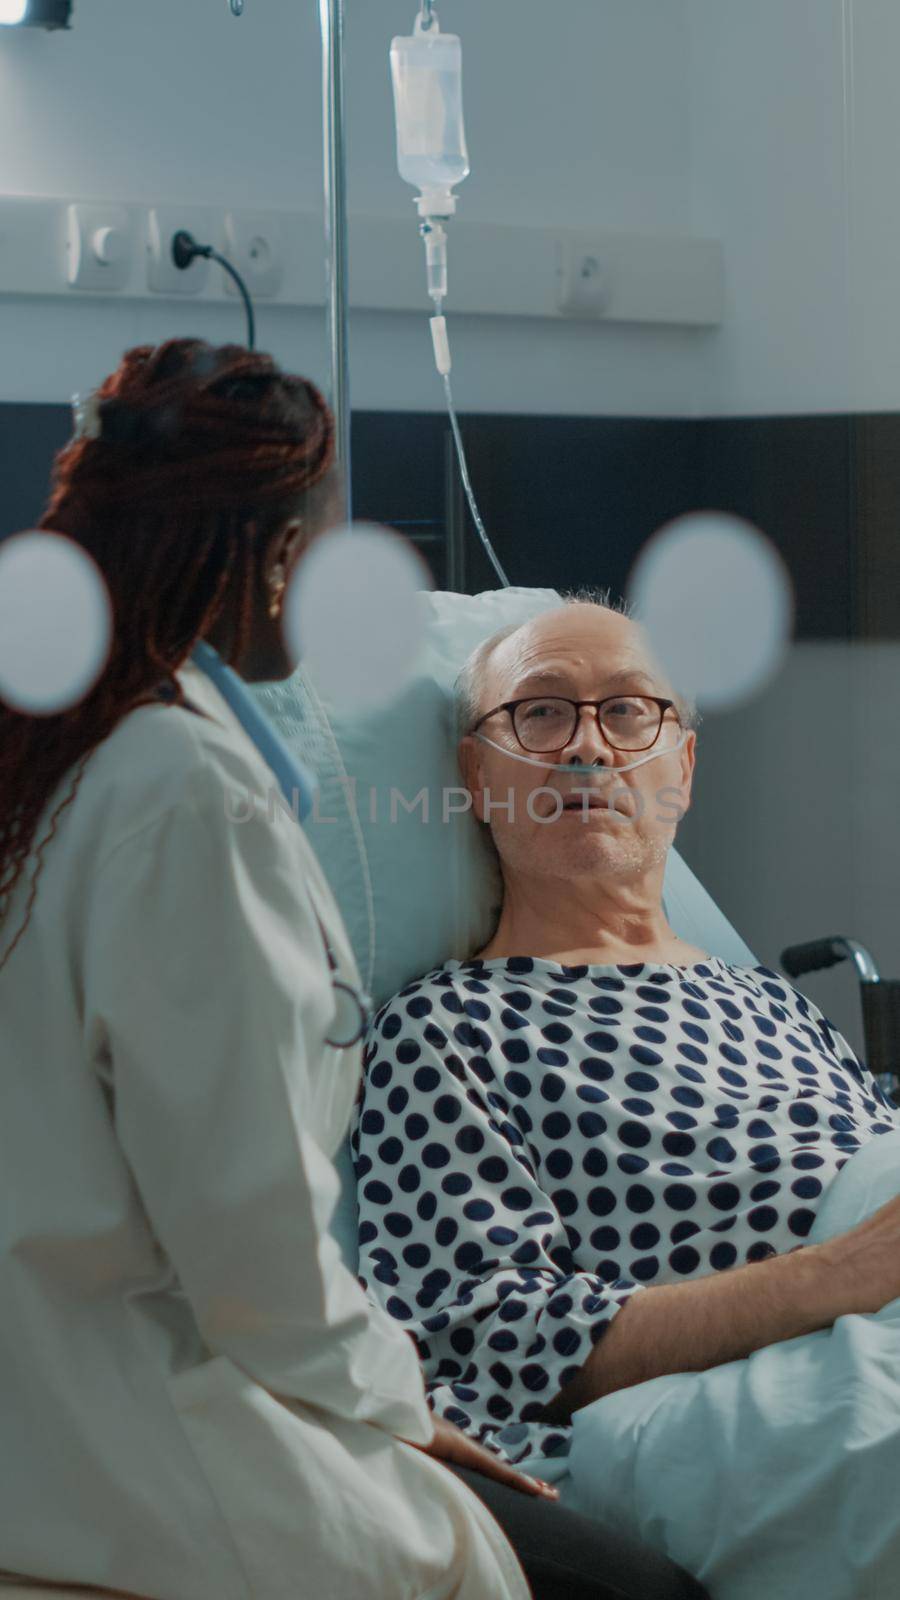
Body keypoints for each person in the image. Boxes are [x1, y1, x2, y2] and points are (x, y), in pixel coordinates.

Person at [0, 336, 568, 1600]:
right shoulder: (190, 794)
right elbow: (254, 1257)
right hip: (146, 1432)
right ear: (269, 562)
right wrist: (407, 1411)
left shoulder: (47, 763)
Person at [352, 594, 900, 1478]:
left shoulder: (774, 1002)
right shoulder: (449, 1028)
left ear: (680, 770)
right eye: (539, 712)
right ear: (479, 777)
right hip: (795, 1386)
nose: (586, 746)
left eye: (627, 711)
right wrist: (845, 1270)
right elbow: (486, 1340)